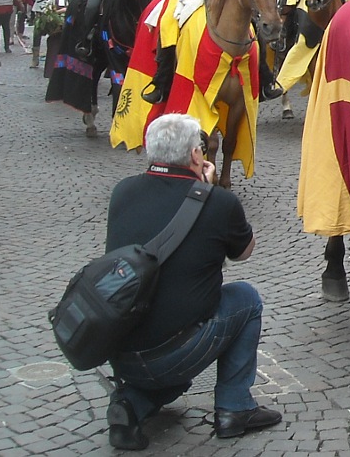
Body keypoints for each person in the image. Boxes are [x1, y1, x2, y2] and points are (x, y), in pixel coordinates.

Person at [105, 113, 280, 450]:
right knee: (246, 298)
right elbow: (244, 252)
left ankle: (130, 404)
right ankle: (234, 408)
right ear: (197, 156)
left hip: (121, 349)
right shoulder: (218, 201)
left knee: (170, 382)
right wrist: (208, 191)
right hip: (175, 353)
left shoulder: (122, 191)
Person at [43, 0, 78, 79]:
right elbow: (47, 12)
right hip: (58, 32)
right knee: (56, 54)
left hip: (75, 33)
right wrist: (59, 12)